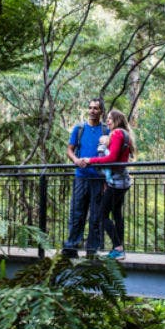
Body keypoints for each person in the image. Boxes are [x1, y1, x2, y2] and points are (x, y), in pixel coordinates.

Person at [81, 109, 135, 261]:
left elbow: (111, 158)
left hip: (117, 183)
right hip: (121, 181)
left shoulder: (118, 134)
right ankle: (119, 249)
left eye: (110, 119)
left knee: (101, 215)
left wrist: (90, 160)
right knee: (117, 214)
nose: (108, 121)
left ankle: (118, 248)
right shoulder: (125, 134)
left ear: (117, 120)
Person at [62, 97, 109, 258]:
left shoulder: (106, 130)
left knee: (96, 215)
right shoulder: (79, 128)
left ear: (101, 111)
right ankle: (71, 246)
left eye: (95, 108)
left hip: (98, 179)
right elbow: (69, 149)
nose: (92, 111)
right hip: (81, 177)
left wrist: (107, 180)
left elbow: (111, 154)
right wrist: (76, 160)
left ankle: (92, 250)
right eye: (90, 108)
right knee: (77, 213)